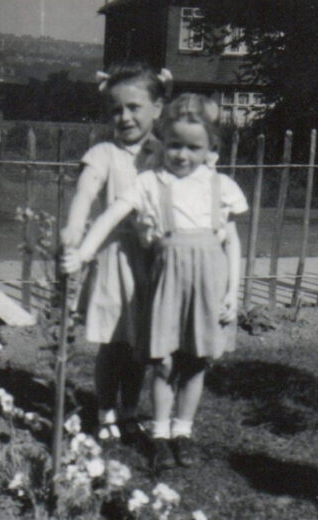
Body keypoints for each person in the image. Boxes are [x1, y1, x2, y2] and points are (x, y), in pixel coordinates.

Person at [63, 93, 246, 468]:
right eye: (175, 145)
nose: (182, 155)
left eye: (193, 148)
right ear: (165, 141)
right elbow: (111, 215)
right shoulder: (150, 183)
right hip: (167, 286)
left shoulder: (220, 186)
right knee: (163, 363)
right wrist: (82, 253)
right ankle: (160, 434)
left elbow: (232, 243)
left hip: (208, 287)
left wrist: (233, 292)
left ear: (211, 148)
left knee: (196, 362)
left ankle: (183, 431)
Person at [60, 62, 171, 445]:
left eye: (134, 107)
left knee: (141, 344)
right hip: (112, 258)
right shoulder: (103, 153)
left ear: (157, 108)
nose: (124, 117)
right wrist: (74, 230)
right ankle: (106, 409)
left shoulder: (166, 152)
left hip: (152, 260)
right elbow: (85, 194)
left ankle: (128, 410)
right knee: (112, 343)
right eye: (116, 109)